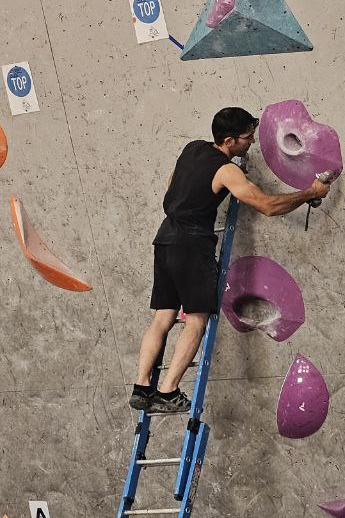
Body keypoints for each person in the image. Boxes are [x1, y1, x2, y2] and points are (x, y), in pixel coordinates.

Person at [130, 107, 330, 413]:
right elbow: (268, 206)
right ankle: (168, 392)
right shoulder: (225, 171)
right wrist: (309, 192)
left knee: (162, 318)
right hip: (191, 246)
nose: (251, 142)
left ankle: (142, 387)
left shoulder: (192, 149)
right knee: (196, 320)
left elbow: (172, 183)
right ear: (229, 141)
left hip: (166, 239)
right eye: (247, 138)